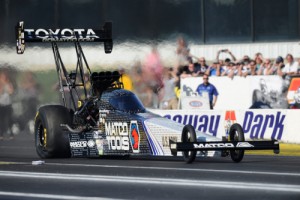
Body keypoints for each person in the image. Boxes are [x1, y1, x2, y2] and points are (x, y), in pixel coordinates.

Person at [0, 70, 14, 140]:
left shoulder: (9, 84)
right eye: (2, 76)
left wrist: (7, 84)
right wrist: (2, 85)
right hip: (1, 104)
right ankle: (1, 134)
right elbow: (1, 92)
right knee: (1, 120)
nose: (4, 78)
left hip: (8, 104)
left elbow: (11, 92)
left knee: (9, 119)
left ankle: (11, 133)